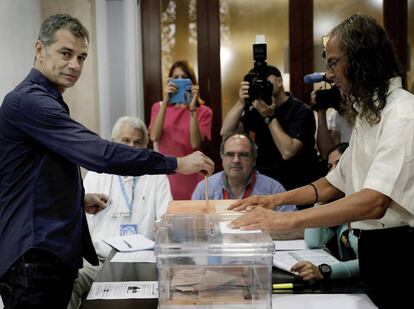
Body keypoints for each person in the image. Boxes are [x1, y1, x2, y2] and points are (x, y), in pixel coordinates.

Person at [0, 14, 213, 309]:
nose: (75, 65)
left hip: (48, 254)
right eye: (66, 53)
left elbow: (34, 176)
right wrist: (176, 163)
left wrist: (77, 197)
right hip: (33, 256)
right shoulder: (30, 102)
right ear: (40, 50)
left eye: (82, 57)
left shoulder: (47, 99)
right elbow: (101, 153)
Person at [229, 14, 414, 309]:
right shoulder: (370, 116)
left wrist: (287, 218)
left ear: (361, 60)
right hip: (374, 252)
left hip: (400, 253)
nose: (328, 75)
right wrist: (275, 201)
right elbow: (333, 182)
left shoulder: (403, 114)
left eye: (333, 62)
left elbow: (374, 200)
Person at [67, 116, 172, 309]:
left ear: (146, 146)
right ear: (114, 143)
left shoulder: (157, 176)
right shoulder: (97, 173)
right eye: (125, 141)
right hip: (97, 260)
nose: (131, 147)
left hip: (142, 262)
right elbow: (79, 220)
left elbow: (166, 222)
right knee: (67, 283)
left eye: (138, 142)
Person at [220, 65, 322, 208]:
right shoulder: (257, 109)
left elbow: (288, 151)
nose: (261, 86)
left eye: (265, 81)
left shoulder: (301, 111)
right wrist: (241, 102)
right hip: (266, 186)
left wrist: (269, 117)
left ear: (279, 81)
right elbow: (226, 133)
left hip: (297, 186)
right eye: (257, 83)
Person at [291, 143, 359, 282]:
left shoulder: (371, 207)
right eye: (329, 167)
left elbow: (370, 263)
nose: (332, 173)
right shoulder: (341, 212)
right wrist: (321, 201)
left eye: (339, 165)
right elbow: (313, 241)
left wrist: (325, 271)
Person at [149, 60, 213, 200]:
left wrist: (192, 109)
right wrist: (165, 102)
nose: (179, 81)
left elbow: (196, 144)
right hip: (166, 175)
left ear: (192, 82)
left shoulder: (203, 111)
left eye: (184, 78)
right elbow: (154, 136)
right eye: (175, 78)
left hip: (193, 176)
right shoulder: (158, 107)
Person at [192, 133, 296, 212]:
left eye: (243, 155)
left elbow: (293, 225)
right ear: (222, 158)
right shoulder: (204, 188)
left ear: (254, 159)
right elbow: (194, 226)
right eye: (230, 154)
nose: (236, 160)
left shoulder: (274, 189)